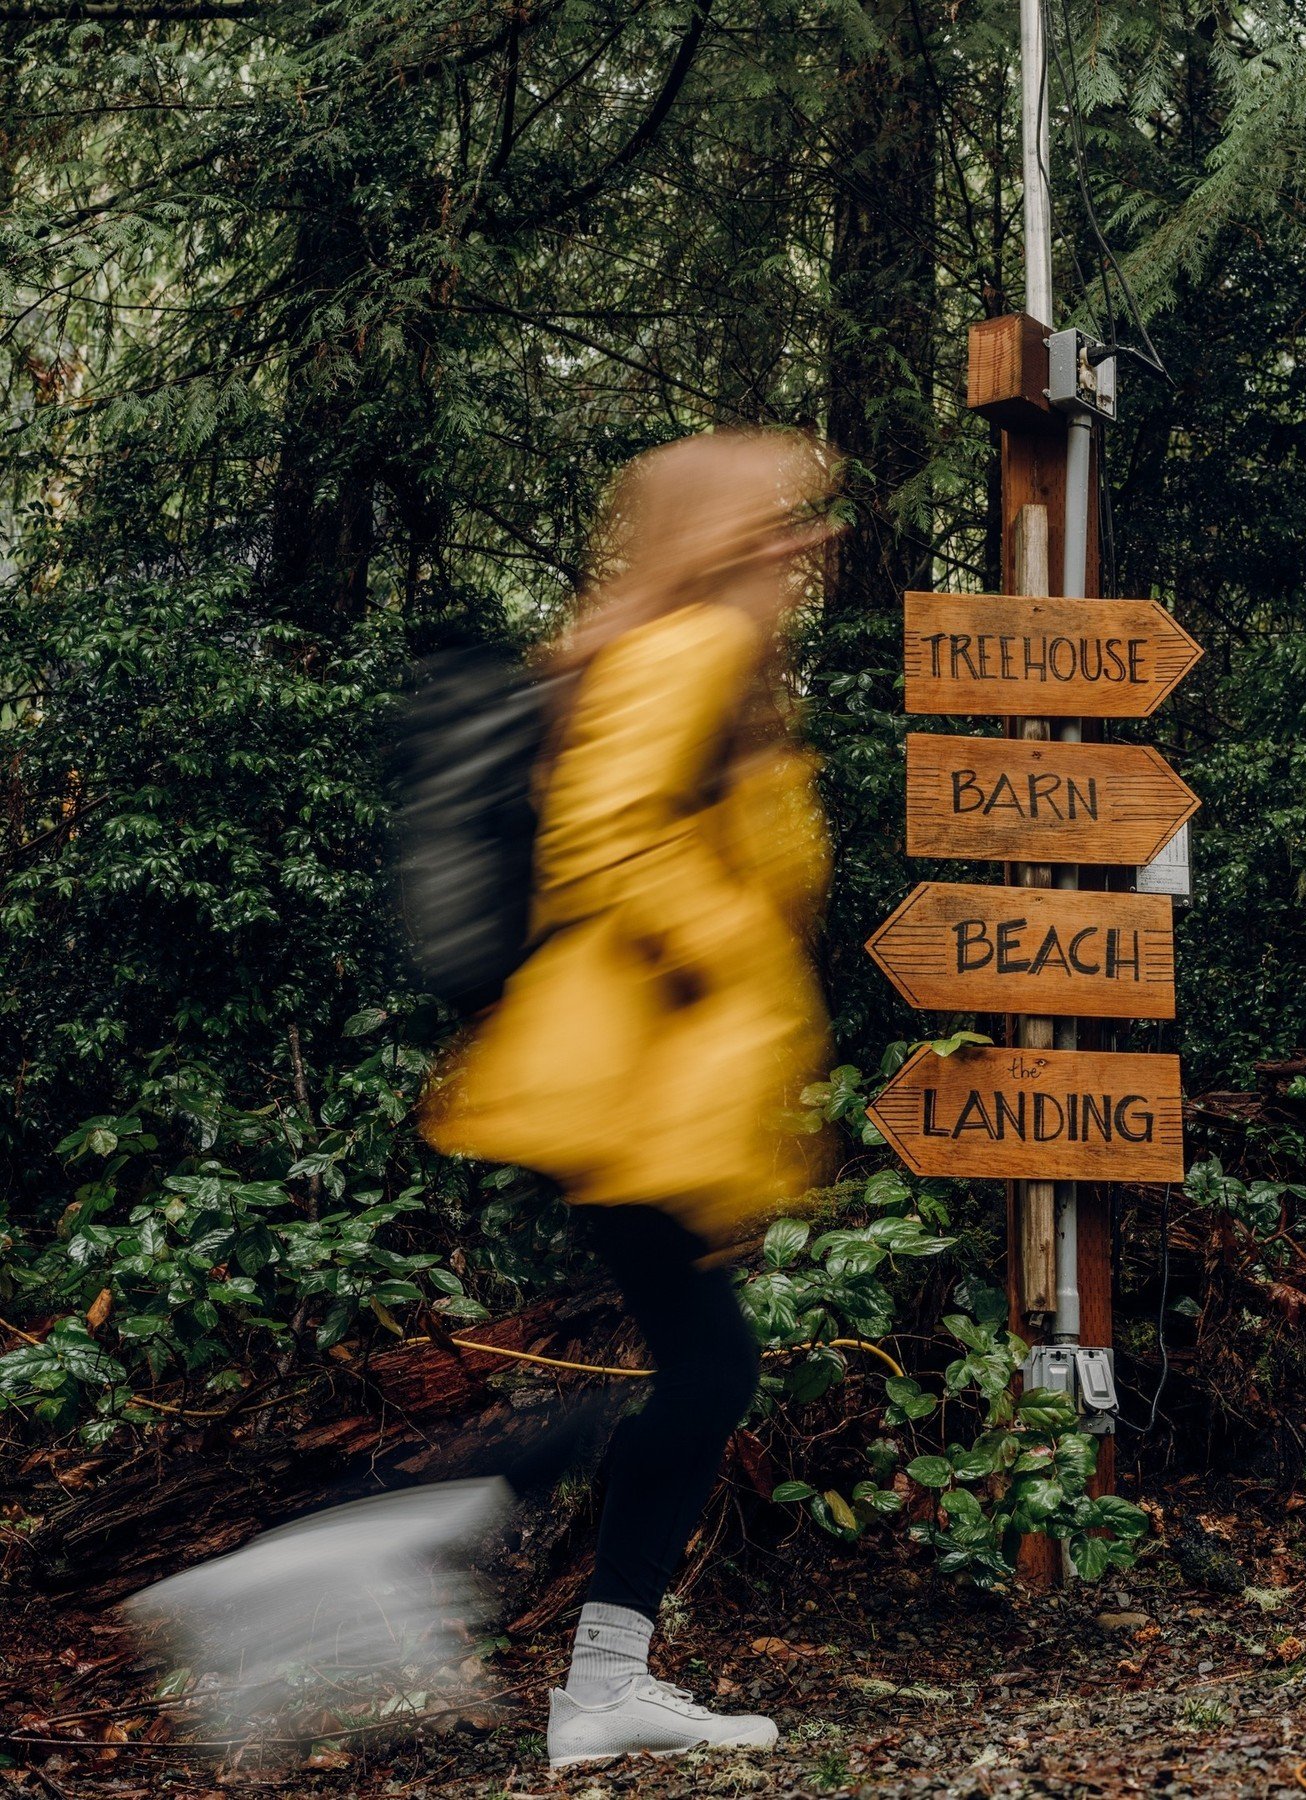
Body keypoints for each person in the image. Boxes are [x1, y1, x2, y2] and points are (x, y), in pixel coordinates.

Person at [421, 427, 835, 1768]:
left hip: (627, 1082)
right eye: (781, 523)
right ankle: (386, 1539)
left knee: (703, 1365)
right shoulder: (693, 648)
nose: (805, 544)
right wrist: (730, 973)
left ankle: (596, 1677)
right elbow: (608, 833)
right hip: (617, 1082)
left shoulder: (691, 656)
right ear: (720, 539)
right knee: (708, 1367)